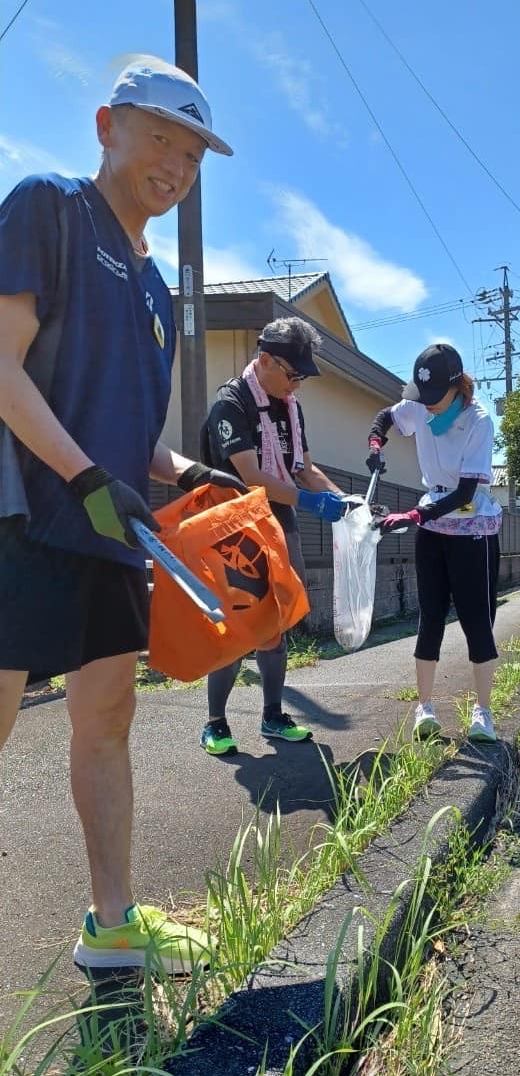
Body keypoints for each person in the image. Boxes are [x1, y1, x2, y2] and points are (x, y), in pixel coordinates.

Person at [0, 56, 239, 976]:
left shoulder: (156, 292)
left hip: (110, 529)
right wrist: (84, 475)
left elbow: (131, 436)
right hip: (27, 513)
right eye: (160, 140)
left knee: (106, 721)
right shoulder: (47, 207)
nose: (175, 167)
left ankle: (111, 925)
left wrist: (194, 473)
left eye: (192, 156)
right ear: (108, 125)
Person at [200, 317, 345, 753]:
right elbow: (252, 477)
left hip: (279, 521)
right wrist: (311, 502)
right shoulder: (231, 403)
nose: (297, 386)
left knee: (276, 622)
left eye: (301, 377)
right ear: (265, 360)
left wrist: (344, 499)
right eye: (293, 375)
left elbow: (302, 467)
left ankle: (273, 716)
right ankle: (215, 723)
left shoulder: (289, 407)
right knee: (237, 624)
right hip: (234, 526)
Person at [365, 343, 502, 742]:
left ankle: (483, 712)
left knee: (478, 621)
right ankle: (424, 708)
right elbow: (384, 417)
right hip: (432, 528)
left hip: (472, 528)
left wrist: (413, 516)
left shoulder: (478, 421)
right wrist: (375, 443)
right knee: (430, 617)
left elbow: (462, 494)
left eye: (435, 397)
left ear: (457, 386)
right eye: (422, 397)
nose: (427, 406)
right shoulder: (421, 408)